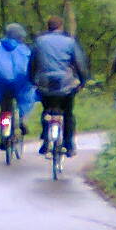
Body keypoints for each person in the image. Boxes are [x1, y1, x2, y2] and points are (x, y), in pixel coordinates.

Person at [28, 16, 89, 157]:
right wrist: (83, 80)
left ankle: (45, 141)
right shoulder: (70, 42)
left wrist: (32, 80)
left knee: (47, 110)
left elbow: (32, 64)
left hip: (45, 84)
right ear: (61, 27)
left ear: (47, 27)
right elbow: (80, 63)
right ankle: (69, 145)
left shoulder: (39, 42)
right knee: (68, 113)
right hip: (66, 83)